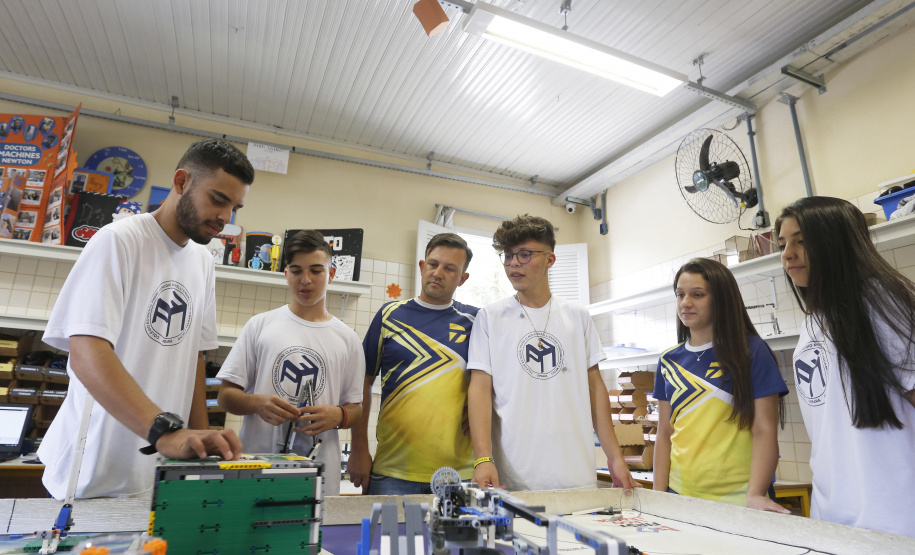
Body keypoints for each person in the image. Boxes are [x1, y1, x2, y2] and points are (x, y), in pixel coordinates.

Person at [38, 139, 253, 500]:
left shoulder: (203, 264)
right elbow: (87, 352)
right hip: (92, 473)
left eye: (235, 207)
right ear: (181, 182)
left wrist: (203, 456)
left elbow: (194, 361)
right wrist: (164, 433)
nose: (225, 217)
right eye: (218, 199)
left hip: (155, 474)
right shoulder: (119, 241)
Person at [777, 196, 915, 537]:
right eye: (782, 244)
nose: (787, 254)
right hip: (836, 516)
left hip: (894, 517)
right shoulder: (814, 321)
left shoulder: (880, 300)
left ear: (835, 242)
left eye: (801, 241)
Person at [467, 214, 636, 491]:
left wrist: (614, 457)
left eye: (524, 254)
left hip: (576, 474)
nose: (514, 264)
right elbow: (480, 390)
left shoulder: (578, 317)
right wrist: (482, 458)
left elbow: (595, 390)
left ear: (550, 259)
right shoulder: (489, 318)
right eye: (508, 256)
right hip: (513, 477)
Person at [216, 230, 364, 496]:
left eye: (316, 271)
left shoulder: (348, 339)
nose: (305, 280)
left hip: (318, 475)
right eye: (296, 271)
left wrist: (338, 415)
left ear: (330, 275)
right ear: (286, 275)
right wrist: (257, 403)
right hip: (255, 467)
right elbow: (226, 397)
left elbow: (355, 409)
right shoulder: (260, 325)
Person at [652, 258, 788, 512]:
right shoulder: (668, 360)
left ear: (721, 299)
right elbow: (665, 433)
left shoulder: (750, 351)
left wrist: (756, 494)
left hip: (740, 500)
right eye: (680, 294)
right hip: (680, 496)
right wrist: (658, 496)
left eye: (698, 294)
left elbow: (764, 429)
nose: (685, 303)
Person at [349, 233, 478, 495]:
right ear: (422, 266)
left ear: (462, 278)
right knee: (383, 538)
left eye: (449, 268)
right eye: (433, 264)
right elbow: (361, 382)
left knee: (460, 539)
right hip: (391, 471)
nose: (438, 273)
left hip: (459, 475)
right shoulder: (389, 315)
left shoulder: (476, 321)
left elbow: (497, 383)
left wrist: (482, 411)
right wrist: (359, 448)